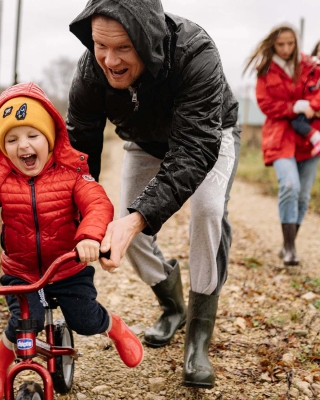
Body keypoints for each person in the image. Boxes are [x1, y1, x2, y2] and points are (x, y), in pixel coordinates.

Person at [67, 0, 240, 389]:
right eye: (100, 45)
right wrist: (77, 216)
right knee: (127, 224)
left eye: (123, 47)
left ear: (147, 40)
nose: (109, 60)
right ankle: (172, 306)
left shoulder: (196, 52)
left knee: (208, 211)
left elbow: (195, 149)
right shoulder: (89, 72)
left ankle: (198, 338)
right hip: (143, 141)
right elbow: (79, 150)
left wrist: (138, 218)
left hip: (209, 136)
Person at [0, 82, 144, 400]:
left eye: (32, 135)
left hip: (67, 269)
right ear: (3, 147)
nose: (23, 146)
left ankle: (114, 327)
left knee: (85, 320)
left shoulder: (72, 174)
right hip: (22, 272)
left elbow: (97, 204)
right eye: (12, 139)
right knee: (24, 323)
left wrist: (88, 237)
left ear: (50, 138)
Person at [244, 25, 320, 266]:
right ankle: (289, 247)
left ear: (296, 43)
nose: (286, 49)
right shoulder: (265, 70)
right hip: (280, 136)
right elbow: (266, 104)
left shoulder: (309, 65)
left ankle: (290, 245)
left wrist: (311, 107)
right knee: (289, 185)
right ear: (273, 44)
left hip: (309, 138)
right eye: (281, 44)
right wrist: (294, 107)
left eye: (290, 44)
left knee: (303, 195)